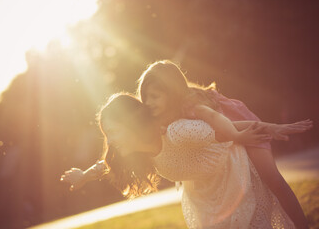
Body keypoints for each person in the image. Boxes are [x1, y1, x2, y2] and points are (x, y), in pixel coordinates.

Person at [61, 93, 311, 228]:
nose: (111, 141)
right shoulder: (140, 154)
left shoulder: (176, 133)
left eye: (114, 132)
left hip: (232, 171)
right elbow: (107, 164)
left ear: (131, 124)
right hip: (206, 196)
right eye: (107, 135)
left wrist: (273, 127)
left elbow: (230, 128)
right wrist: (84, 175)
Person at [136, 60, 312, 229]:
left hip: (240, 126)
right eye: (146, 98)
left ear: (171, 93)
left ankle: (303, 226)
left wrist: (265, 129)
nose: (149, 102)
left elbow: (217, 121)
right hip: (223, 137)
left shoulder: (191, 106)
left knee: (273, 180)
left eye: (155, 96)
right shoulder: (157, 116)